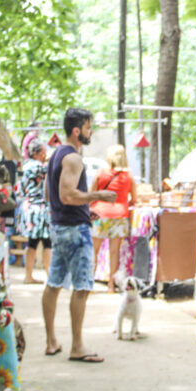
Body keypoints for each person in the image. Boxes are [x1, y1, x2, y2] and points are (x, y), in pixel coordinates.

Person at [42, 108, 116, 362]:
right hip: (74, 231)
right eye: (88, 127)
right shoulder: (73, 158)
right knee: (82, 287)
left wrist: (84, 209)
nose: (90, 131)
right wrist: (98, 196)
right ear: (77, 131)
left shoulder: (55, 156)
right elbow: (66, 195)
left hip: (60, 227)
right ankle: (77, 346)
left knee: (53, 284)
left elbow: (49, 196)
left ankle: (52, 341)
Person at [90, 144, 137, 293]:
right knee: (114, 251)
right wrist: (122, 204)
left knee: (94, 251)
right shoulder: (129, 176)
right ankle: (111, 285)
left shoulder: (100, 173)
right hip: (119, 215)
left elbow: (91, 195)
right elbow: (134, 199)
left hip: (100, 214)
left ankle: (89, 283)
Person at [18, 140, 51, 284]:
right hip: (40, 208)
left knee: (32, 243)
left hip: (28, 207)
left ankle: (28, 275)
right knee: (47, 243)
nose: (45, 155)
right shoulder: (39, 167)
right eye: (43, 152)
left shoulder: (25, 167)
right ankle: (50, 276)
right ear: (37, 153)